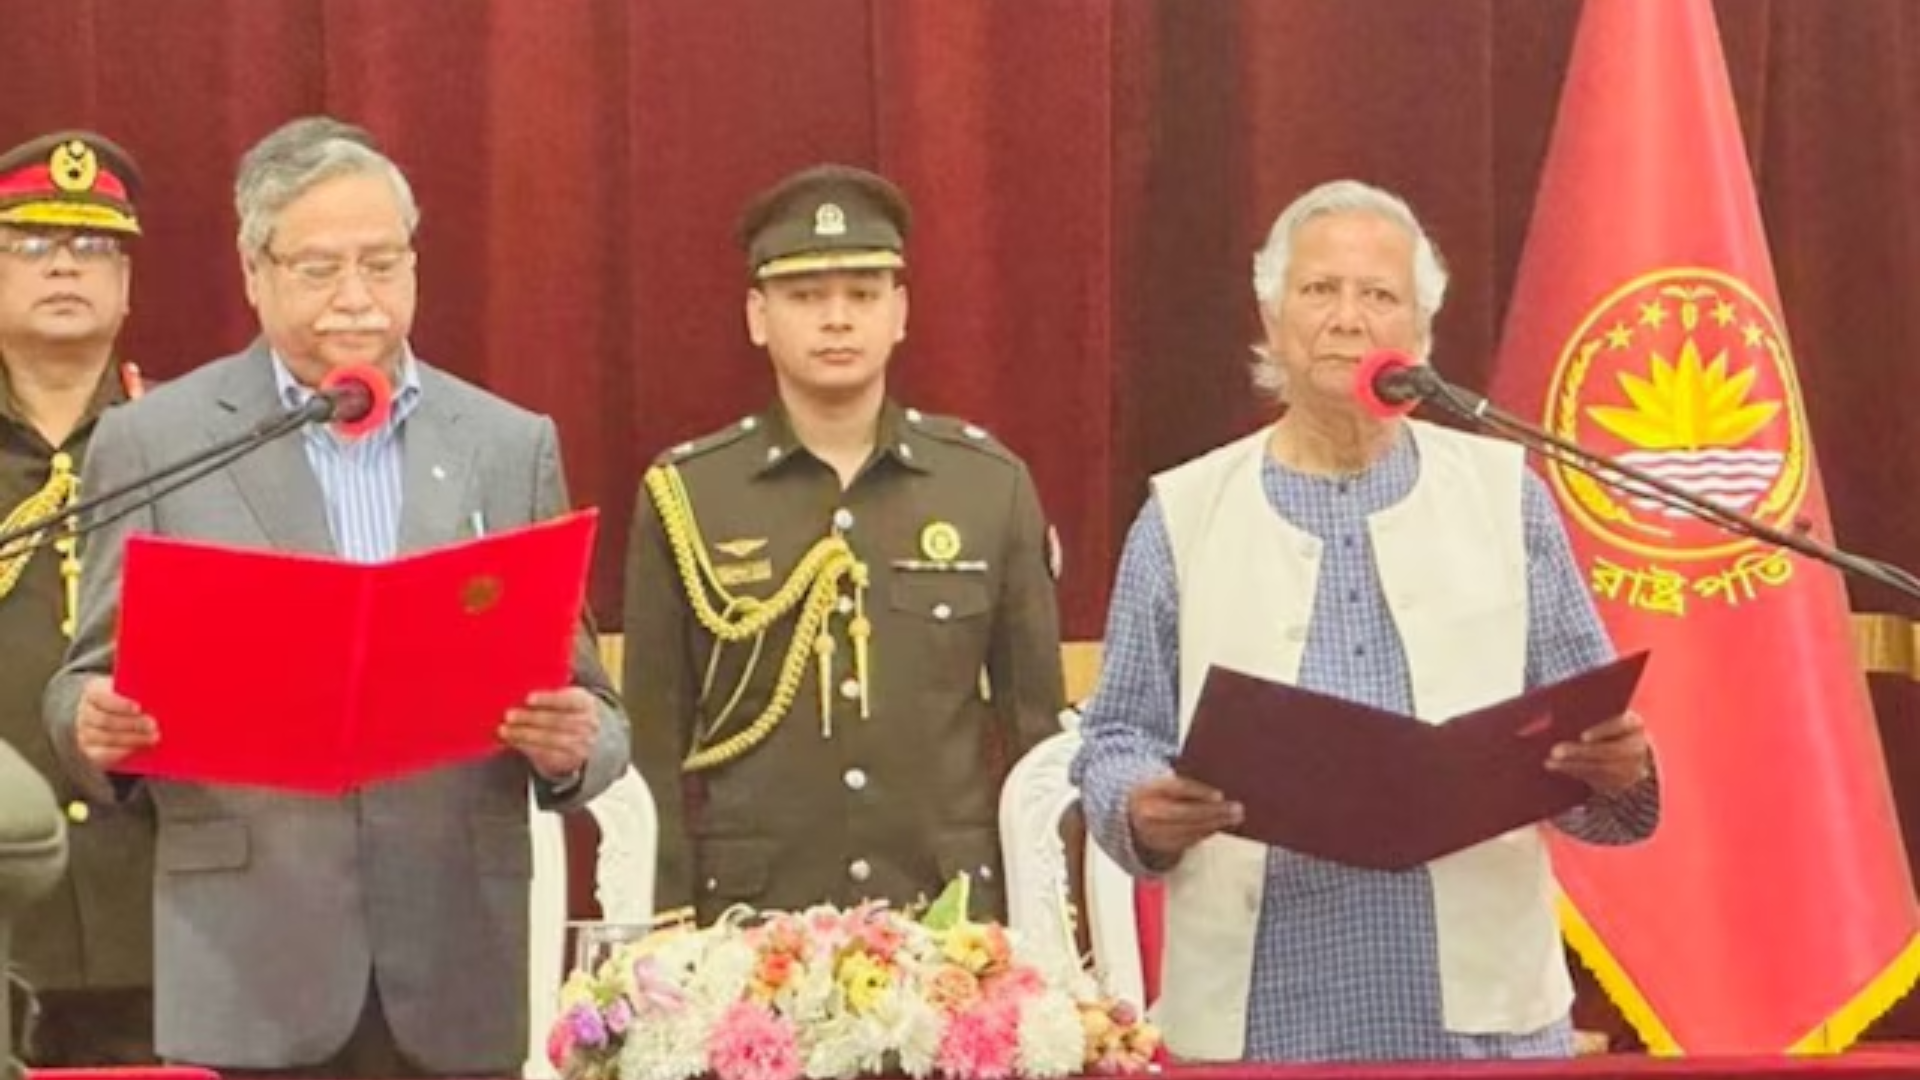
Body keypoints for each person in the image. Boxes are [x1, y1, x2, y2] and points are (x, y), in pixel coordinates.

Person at [41, 116, 631, 1079]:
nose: (356, 298)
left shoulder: (505, 443)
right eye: (318, 269)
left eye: (382, 263)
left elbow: (597, 712)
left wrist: (575, 747)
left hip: (452, 958)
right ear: (253, 272)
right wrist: (94, 726)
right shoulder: (160, 439)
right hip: (248, 952)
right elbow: (80, 683)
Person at [1070, 179, 1659, 1063]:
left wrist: (1619, 768)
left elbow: (1588, 733)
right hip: (1260, 1010)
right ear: (1271, 320)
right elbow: (1117, 735)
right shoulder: (1184, 513)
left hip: (1479, 1013)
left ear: (1419, 335)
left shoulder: (1507, 500)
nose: (1347, 318)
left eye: (1379, 296)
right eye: (1319, 291)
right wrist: (1141, 808)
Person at [624, 163, 1064, 925]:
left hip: (947, 920)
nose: (836, 319)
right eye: (805, 297)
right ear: (758, 316)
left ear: (900, 312)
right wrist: (659, 927)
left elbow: (1038, 741)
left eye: (861, 295)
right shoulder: (689, 493)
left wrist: (1048, 928)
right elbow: (653, 744)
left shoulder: (988, 486)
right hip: (751, 925)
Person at [0, 130, 155, 1066]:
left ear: (129, 286)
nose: (64, 264)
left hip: (159, 916)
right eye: (29, 244)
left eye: (94, 246)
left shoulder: (185, 444)